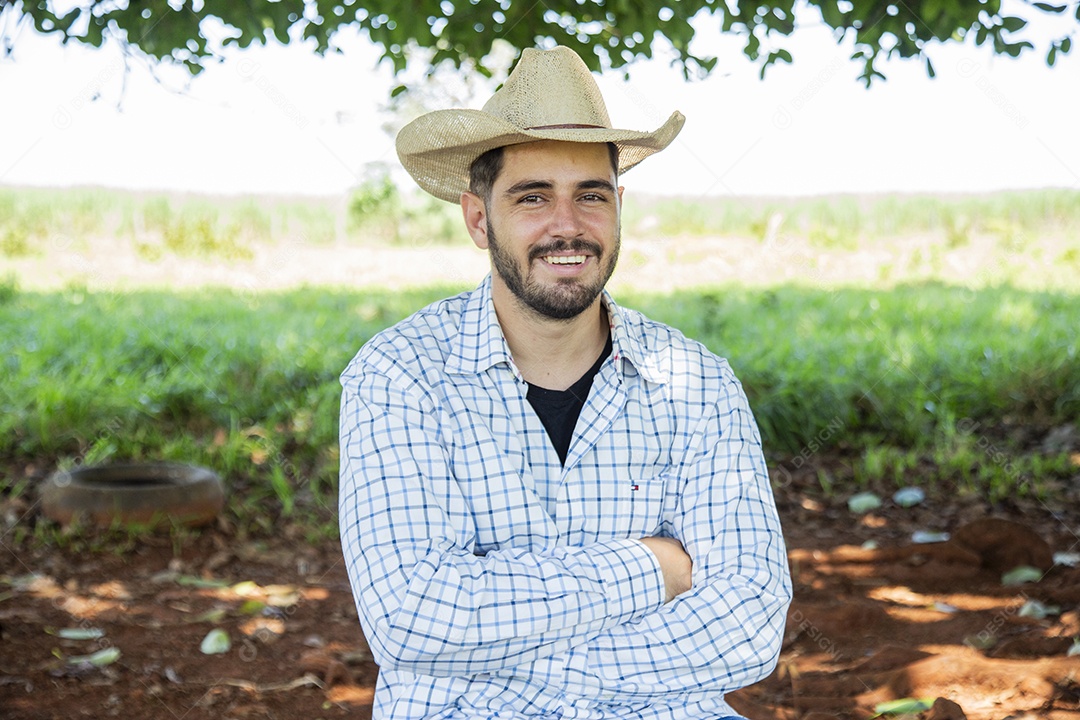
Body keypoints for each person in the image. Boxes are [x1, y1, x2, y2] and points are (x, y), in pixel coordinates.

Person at [338, 45, 792, 720]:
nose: (567, 225)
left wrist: (507, 662)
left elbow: (750, 622)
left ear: (618, 208)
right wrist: (653, 568)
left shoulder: (696, 383)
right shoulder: (398, 376)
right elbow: (412, 619)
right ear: (477, 217)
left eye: (590, 195)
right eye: (532, 197)